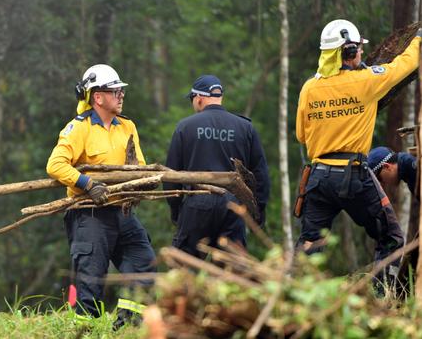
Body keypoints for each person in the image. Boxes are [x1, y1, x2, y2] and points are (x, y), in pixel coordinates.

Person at [295, 19, 421, 277]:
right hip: (353, 175)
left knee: (309, 243)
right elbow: (404, 65)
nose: (362, 53)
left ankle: (293, 298)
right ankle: (382, 297)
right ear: (349, 52)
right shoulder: (366, 81)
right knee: (390, 238)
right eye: (358, 49)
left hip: (318, 178)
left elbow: (301, 135)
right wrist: (419, 39)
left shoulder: (309, 88)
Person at [46, 64, 156, 328]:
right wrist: (86, 183)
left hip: (122, 212)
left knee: (143, 263)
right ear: (98, 97)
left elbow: (139, 164)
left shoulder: (128, 126)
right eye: (115, 90)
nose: (121, 95)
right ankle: (87, 331)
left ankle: (128, 326)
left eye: (121, 91)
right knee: (91, 280)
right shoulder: (79, 128)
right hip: (89, 215)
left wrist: (140, 183)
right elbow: (55, 165)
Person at [163, 75, 270, 257]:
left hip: (197, 202)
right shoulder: (245, 127)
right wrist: (257, 211)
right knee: (232, 269)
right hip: (233, 205)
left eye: (192, 99)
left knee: (185, 267)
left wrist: (176, 209)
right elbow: (260, 174)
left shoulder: (185, 127)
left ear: (199, 98)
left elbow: (171, 175)